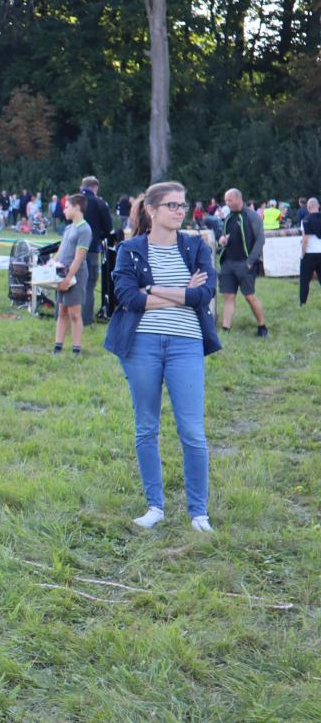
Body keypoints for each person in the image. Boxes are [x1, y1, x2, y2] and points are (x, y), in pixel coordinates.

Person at [104, 182, 219, 532]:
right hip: (142, 344)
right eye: (172, 205)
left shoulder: (196, 246)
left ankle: (198, 513)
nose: (180, 211)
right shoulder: (130, 250)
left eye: (183, 205)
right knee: (146, 427)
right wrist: (182, 291)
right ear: (152, 210)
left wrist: (152, 288)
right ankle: (155, 506)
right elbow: (128, 297)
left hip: (186, 343)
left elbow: (204, 294)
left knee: (192, 431)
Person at [217, 188, 267, 336]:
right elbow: (224, 236)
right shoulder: (229, 217)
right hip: (228, 263)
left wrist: (250, 262)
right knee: (228, 296)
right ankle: (226, 329)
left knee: (249, 296)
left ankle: (262, 327)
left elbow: (260, 240)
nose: (226, 203)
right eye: (225, 200)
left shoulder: (252, 216)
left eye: (229, 200)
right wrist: (222, 240)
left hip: (245, 264)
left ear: (238, 199)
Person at [53, 194, 91, 355]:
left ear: (77, 208)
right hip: (61, 274)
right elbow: (60, 251)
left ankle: (76, 349)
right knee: (62, 311)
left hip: (75, 276)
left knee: (74, 313)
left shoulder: (85, 229)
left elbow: (79, 258)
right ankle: (58, 346)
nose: (64, 210)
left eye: (67, 207)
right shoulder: (69, 228)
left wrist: (68, 279)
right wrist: (50, 265)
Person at [79, 176, 113, 324]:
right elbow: (108, 228)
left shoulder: (74, 201)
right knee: (89, 283)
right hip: (91, 248)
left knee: (72, 281)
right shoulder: (99, 203)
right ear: (95, 188)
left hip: (72, 247)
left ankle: (66, 316)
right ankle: (85, 318)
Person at [300, 198, 321, 306]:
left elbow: (305, 240)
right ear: (318, 206)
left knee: (305, 280)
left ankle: (303, 303)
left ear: (308, 207)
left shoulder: (305, 220)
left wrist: (302, 253)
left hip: (309, 253)